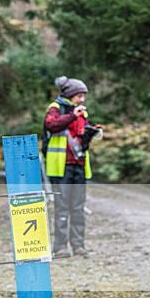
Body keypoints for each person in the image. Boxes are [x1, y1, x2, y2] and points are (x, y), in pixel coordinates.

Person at [44, 76, 96, 258]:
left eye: (84, 96)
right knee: (62, 208)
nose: (82, 100)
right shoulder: (56, 108)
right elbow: (50, 125)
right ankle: (60, 248)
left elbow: (82, 137)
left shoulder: (83, 114)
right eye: (79, 95)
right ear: (70, 95)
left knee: (78, 208)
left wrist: (90, 134)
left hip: (79, 165)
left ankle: (78, 246)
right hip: (61, 167)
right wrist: (72, 116)